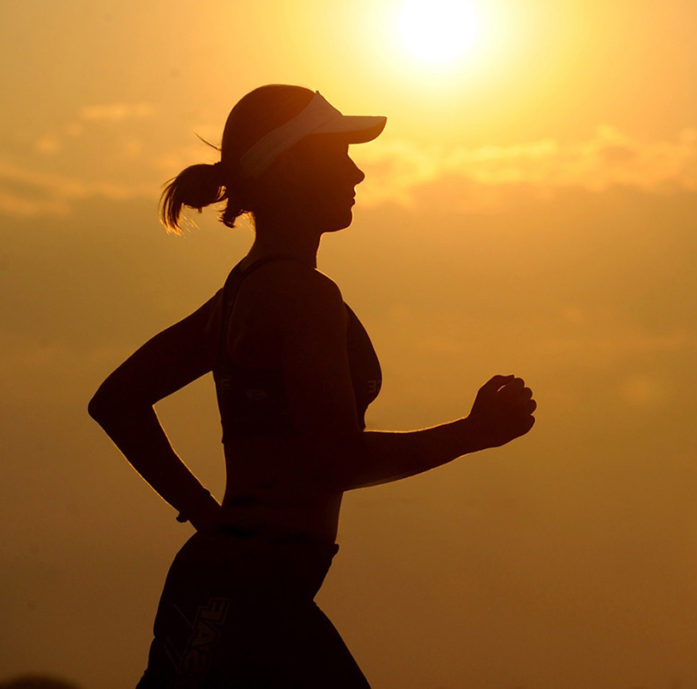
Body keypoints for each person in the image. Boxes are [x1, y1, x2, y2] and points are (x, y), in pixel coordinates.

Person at [87, 84, 537, 688]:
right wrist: (472, 433)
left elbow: (116, 401)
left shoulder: (243, 292)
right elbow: (337, 460)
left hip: (235, 583)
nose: (358, 172)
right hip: (251, 595)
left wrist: (204, 513)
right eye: (339, 154)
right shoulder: (300, 295)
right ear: (292, 165)